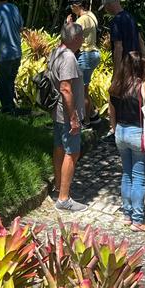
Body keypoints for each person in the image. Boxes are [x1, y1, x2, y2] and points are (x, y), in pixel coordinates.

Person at [108, 51, 145, 231]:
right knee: (139, 177)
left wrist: (115, 130)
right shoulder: (143, 86)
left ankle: (127, 214)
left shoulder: (115, 86)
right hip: (137, 133)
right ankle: (137, 220)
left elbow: (111, 112)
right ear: (141, 67)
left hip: (120, 132)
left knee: (126, 174)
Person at [47, 22, 88, 212]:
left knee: (59, 148)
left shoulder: (56, 52)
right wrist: (73, 117)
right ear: (75, 38)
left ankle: (59, 188)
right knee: (72, 153)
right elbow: (65, 88)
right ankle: (64, 199)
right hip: (66, 114)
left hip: (57, 112)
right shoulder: (69, 57)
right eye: (81, 37)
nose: (83, 40)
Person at [68, 0, 101, 124]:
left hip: (86, 55)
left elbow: (71, 38)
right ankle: (93, 115)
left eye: (71, 6)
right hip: (94, 54)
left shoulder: (81, 20)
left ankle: (85, 122)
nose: (71, 9)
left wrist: (69, 24)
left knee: (81, 91)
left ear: (76, 5)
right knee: (84, 88)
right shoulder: (91, 15)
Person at [99, 0, 145, 71]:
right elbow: (140, 41)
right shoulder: (130, 17)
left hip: (125, 65)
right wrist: (144, 62)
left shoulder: (116, 22)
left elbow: (118, 47)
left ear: (109, 5)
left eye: (105, 8)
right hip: (136, 63)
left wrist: (116, 71)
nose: (106, 10)